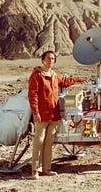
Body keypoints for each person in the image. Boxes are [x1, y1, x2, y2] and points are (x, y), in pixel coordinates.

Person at [28, 50, 87, 179]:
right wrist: (35, 112)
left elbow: (65, 81)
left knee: (49, 142)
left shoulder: (55, 76)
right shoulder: (37, 75)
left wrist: (78, 80)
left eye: (53, 58)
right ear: (43, 60)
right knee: (39, 141)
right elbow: (32, 96)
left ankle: (47, 168)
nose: (51, 60)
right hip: (42, 115)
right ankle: (35, 170)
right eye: (48, 58)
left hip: (54, 115)